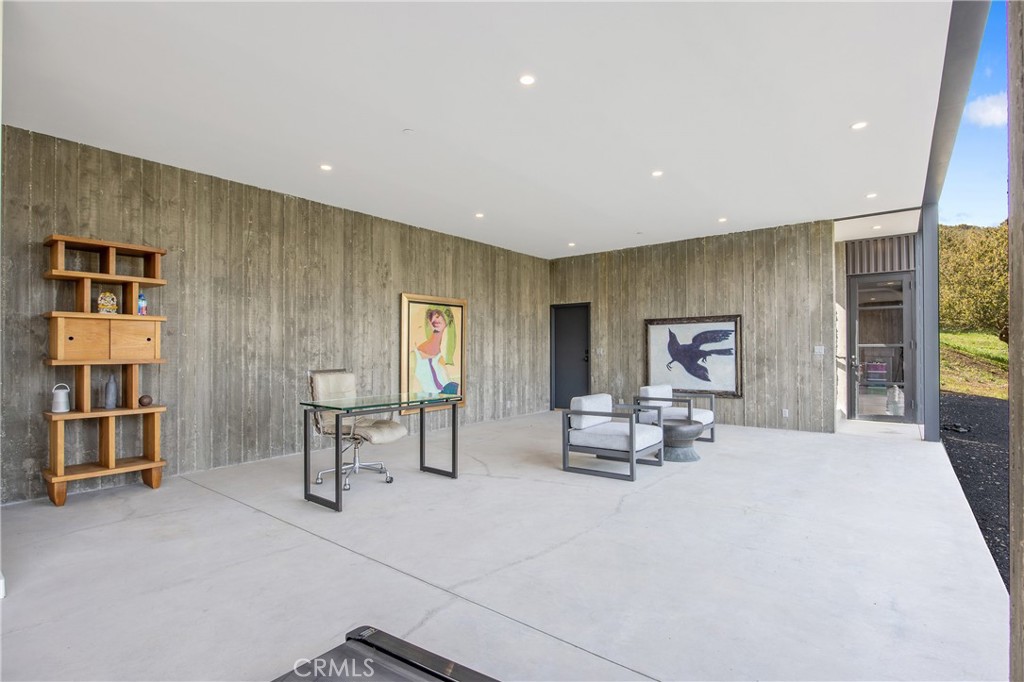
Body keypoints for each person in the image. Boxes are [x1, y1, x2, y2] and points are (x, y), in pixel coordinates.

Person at [412, 307, 459, 394]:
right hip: (432, 396)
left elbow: (447, 380)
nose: (435, 319)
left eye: (438, 316)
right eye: (433, 318)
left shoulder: (441, 355)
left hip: (443, 393)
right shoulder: (416, 353)